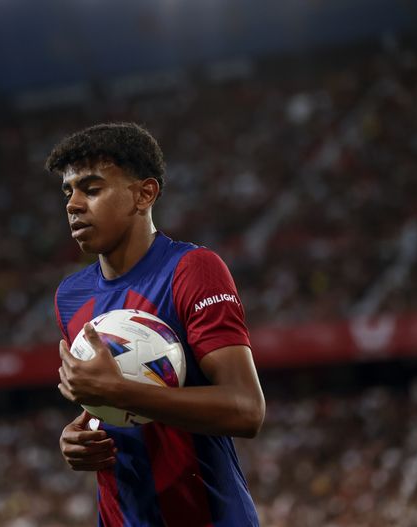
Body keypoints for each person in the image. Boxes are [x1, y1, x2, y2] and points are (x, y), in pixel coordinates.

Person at [47, 122, 265, 526]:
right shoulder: (70, 296)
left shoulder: (192, 270)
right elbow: (111, 409)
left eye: (91, 189)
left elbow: (246, 409)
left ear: (144, 194)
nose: (73, 204)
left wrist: (120, 391)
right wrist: (78, 436)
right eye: (69, 191)